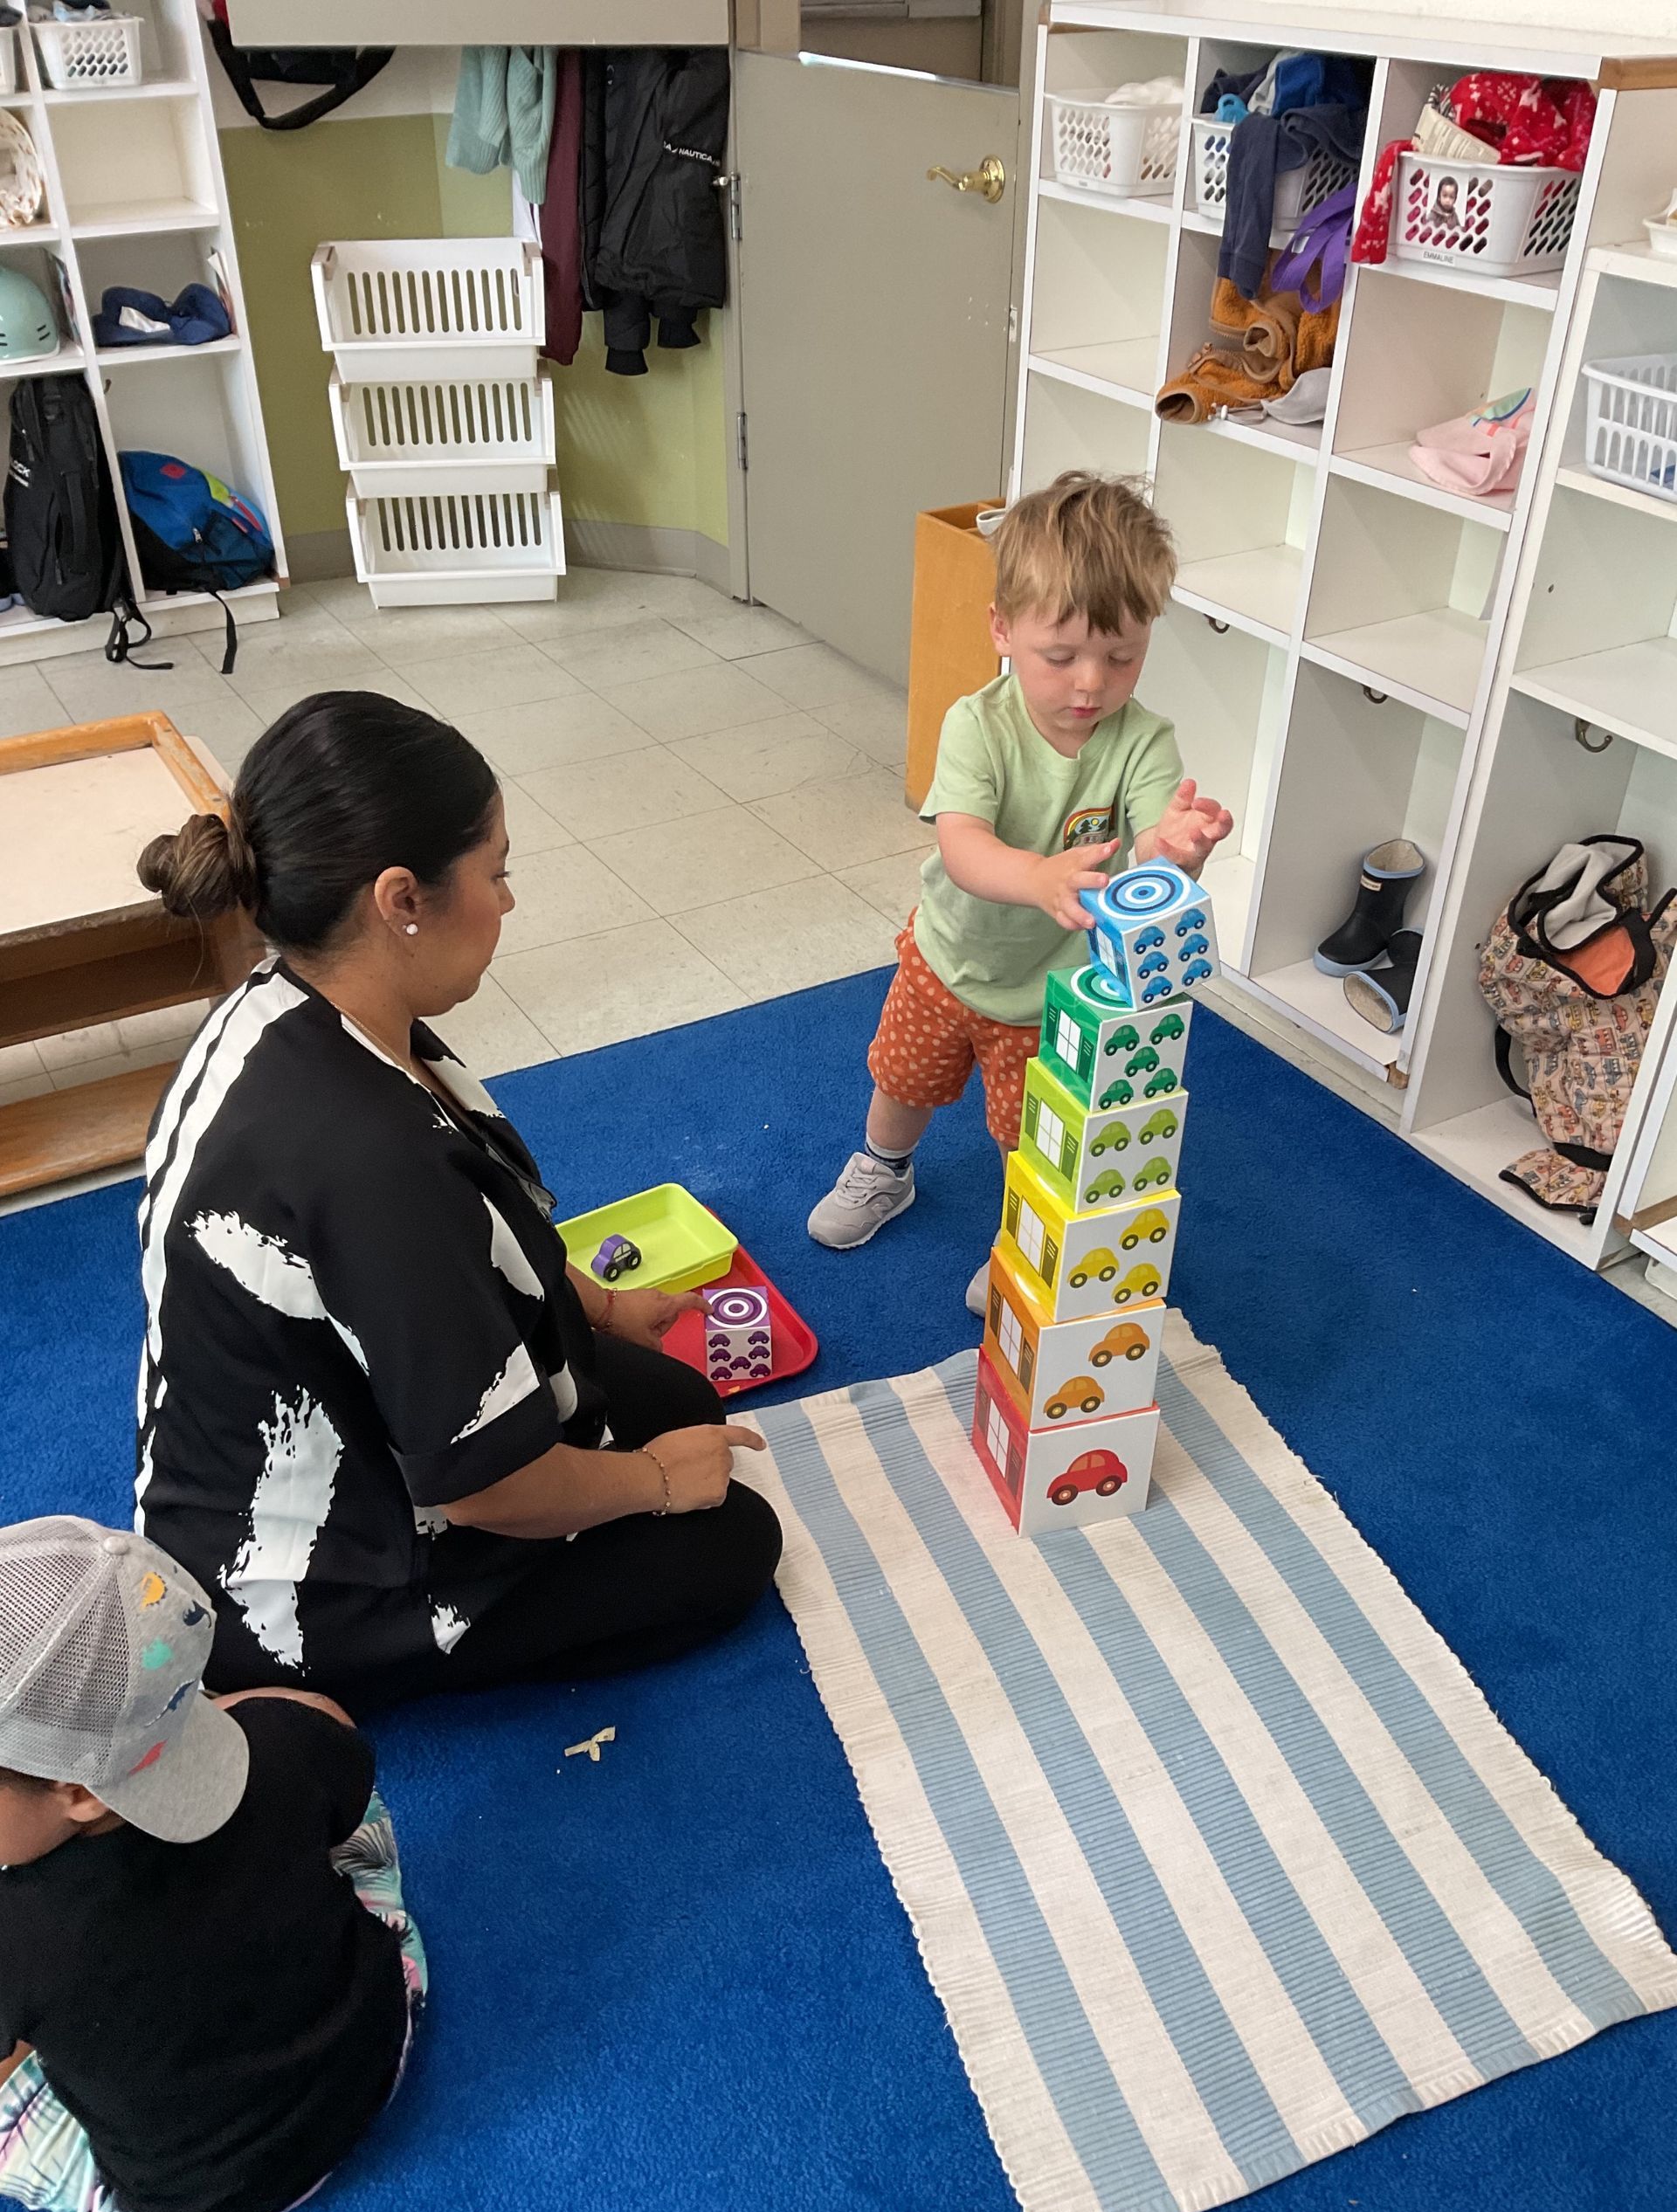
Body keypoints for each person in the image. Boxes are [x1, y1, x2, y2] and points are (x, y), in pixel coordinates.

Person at [133, 690, 780, 1711]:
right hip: (301, 1577)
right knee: (732, 1541)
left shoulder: (293, 1003)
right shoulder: (371, 1163)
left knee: (678, 1403)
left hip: (296, 1438)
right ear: (402, 899)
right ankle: (418, 1651)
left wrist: (602, 1308)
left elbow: (474, 1230)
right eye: (498, 870)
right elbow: (484, 1487)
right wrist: (657, 1484)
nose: (510, 901)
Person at [807, 470, 1232, 1308]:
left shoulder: (1144, 742)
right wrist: (1036, 876)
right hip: (947, 958)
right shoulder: (978, 723)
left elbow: (1147, 863)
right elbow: (962, 844)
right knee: (902, 1081)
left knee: (1033, 1135)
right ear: (1002, 630)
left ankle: (1022, 1235)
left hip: (1052, 992)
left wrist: (1180, 852)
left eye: (1122, 657)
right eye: (1061, 655)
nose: (1089, 684)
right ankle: (885, 1169)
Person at [0, 1517, 424, 2212]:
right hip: (380, 2038)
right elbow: (333, 1732)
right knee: (332, 1781)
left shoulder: (19, 1931)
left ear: (78, 1793)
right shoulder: (284, 1746)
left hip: (204, 2190)